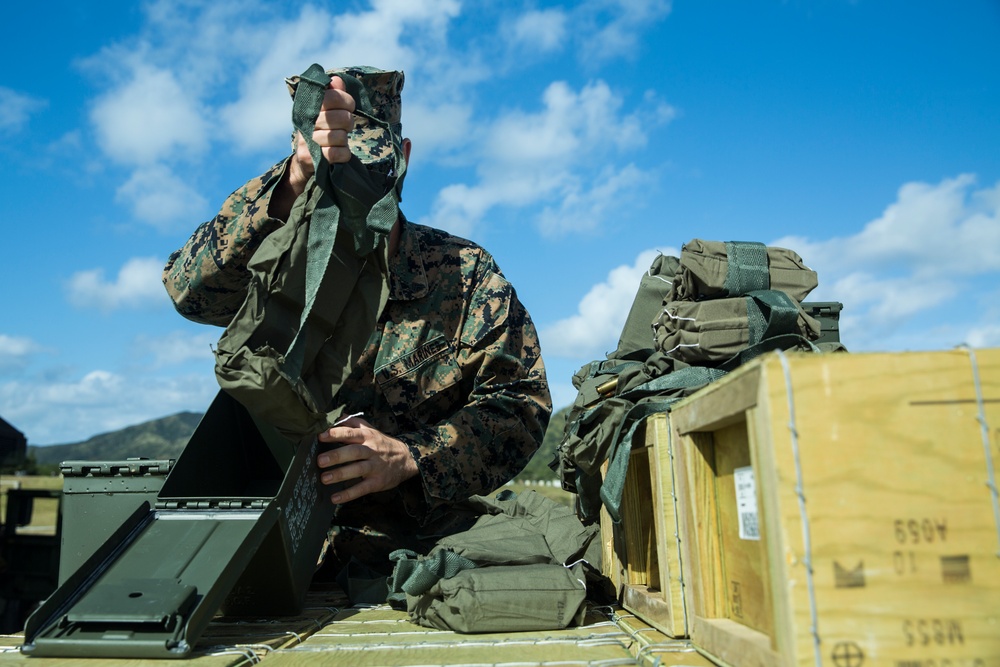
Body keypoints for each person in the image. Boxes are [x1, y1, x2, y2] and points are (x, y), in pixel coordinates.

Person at [162, 66, 552, 578]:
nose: (353, 189)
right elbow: (189, 292)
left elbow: (521, 404)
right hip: (281, 557)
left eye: (370, 167)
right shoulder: (278, 259)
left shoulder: (462, 273)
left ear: (403, 157)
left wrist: (413, 457)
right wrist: (293, 180)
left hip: (419, 561)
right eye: (334, 170)